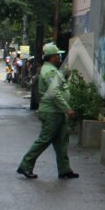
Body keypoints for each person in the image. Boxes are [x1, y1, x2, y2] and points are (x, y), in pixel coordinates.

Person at [16, 42, 77, 180]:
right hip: (52, 112)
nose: (59, 57)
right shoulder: (49, 71)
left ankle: (64, 170)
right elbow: (54, 92)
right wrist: (67, 109)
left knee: (62, 142)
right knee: (44, 140)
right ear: (52, 57)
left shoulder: (53, 70)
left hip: (57, 112)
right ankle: (26, 165)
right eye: (57, 55)